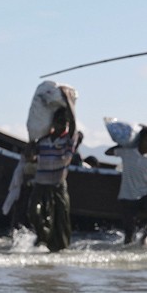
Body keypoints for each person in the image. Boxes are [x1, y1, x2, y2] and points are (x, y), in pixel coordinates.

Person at [28, 107, 82, 252]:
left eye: (64, 123)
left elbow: (73, 128)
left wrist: (69, 101)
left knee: (61, 221)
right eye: (58, 122)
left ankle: (59, 250)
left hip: (58, 185)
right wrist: (31, 145)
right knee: (34, 212)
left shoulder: (68, 140)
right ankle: (43, 237)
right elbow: (30, 157)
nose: (61, 125)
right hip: (40, 185)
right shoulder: (43, 141)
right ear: (52, 123)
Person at [105, 126, 147, 244]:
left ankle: (144, 236)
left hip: (145, 193)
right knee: (129, 235)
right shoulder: (127, 152)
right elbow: (108, 152)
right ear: (140, 140)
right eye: (146, 141)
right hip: (127, 195)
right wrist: (126, 144)